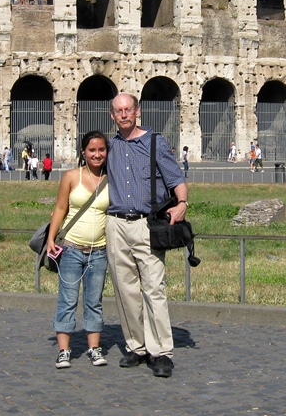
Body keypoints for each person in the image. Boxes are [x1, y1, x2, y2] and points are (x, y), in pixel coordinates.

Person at [106, 93, 188, 378]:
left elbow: (176, 179)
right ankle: (136, 345)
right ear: (113, 115)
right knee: (125, 289)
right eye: (119, 110)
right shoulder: (110, 146)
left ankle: (161, 351)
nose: (124, 114)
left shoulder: (155, 142)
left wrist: (183, 204)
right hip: (116, 224)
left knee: (154, 287)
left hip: (146, 223)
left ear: (137, 112)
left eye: (128, 109)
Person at [46, 131, 111, 369]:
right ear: (83, 152)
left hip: (99, 250)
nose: (97, 154)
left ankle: (94, 348)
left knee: (95, 301)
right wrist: (52, 238)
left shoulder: (111, 178)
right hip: (72, 248)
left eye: (101, 150)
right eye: (92, 150)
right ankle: (64, 351)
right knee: (68, 300)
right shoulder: (72, 176)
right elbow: (60, 208)